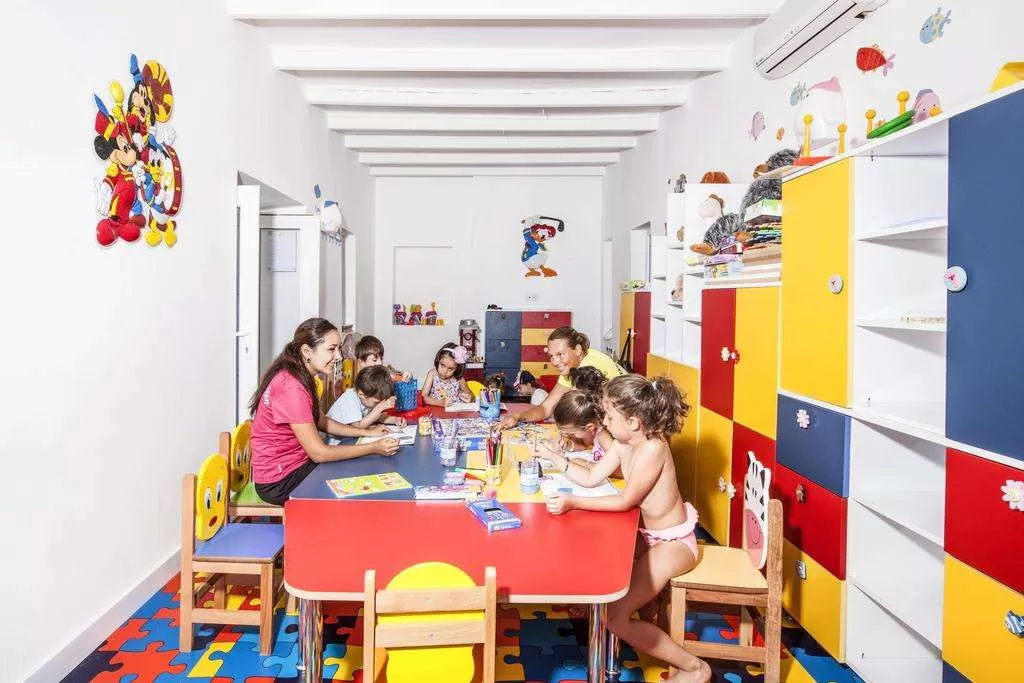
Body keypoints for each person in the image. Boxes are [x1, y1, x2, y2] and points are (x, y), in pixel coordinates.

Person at [539, 374, 710, 683]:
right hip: (647, 537)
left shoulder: (653, 448)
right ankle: (649, 624)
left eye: (609, 416)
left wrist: (572, 502)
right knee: (600, 560)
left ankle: (695, 669)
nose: (603, 422)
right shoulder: (622, 442)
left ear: (632, 422)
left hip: (673, 543)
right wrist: (555, 458)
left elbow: (625, 501)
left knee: (616, 619)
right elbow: (591, 477)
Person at [249, 318, 400, 505]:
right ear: (307, 351)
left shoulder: (303, 376)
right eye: (331, 349)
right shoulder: (291, 387)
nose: (338, 356)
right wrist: (373, 448)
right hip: (280, 480)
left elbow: (322, 421)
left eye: (338, 349)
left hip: (298, 464)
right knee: (355, 482)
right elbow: (318, 453)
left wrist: (366, 432)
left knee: (356, 470)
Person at [500, 326, 624, 429]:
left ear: (578, 350)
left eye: (560, 354)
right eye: (552, 356)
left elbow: (580, 418)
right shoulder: (572, 367)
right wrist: (518, 416)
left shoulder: (589, 368)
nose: (555, 362)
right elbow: (545, 408)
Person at [325, 366, 407, 445]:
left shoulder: (366, 399)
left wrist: (395, 420)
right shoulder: (350, 398)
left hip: (353, 439)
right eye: (376, 403)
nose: (377, 405)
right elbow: (357, 427)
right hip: (338, 444)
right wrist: (379, 408)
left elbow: (376, 417)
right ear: (361, 394)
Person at [547, 367, 611, 461]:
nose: (569, 435)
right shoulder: (593, 424)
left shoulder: (603, 436)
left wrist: (585, 465)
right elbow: (584, 444)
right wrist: (568, 445)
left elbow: (620, 466)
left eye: (572, 433)